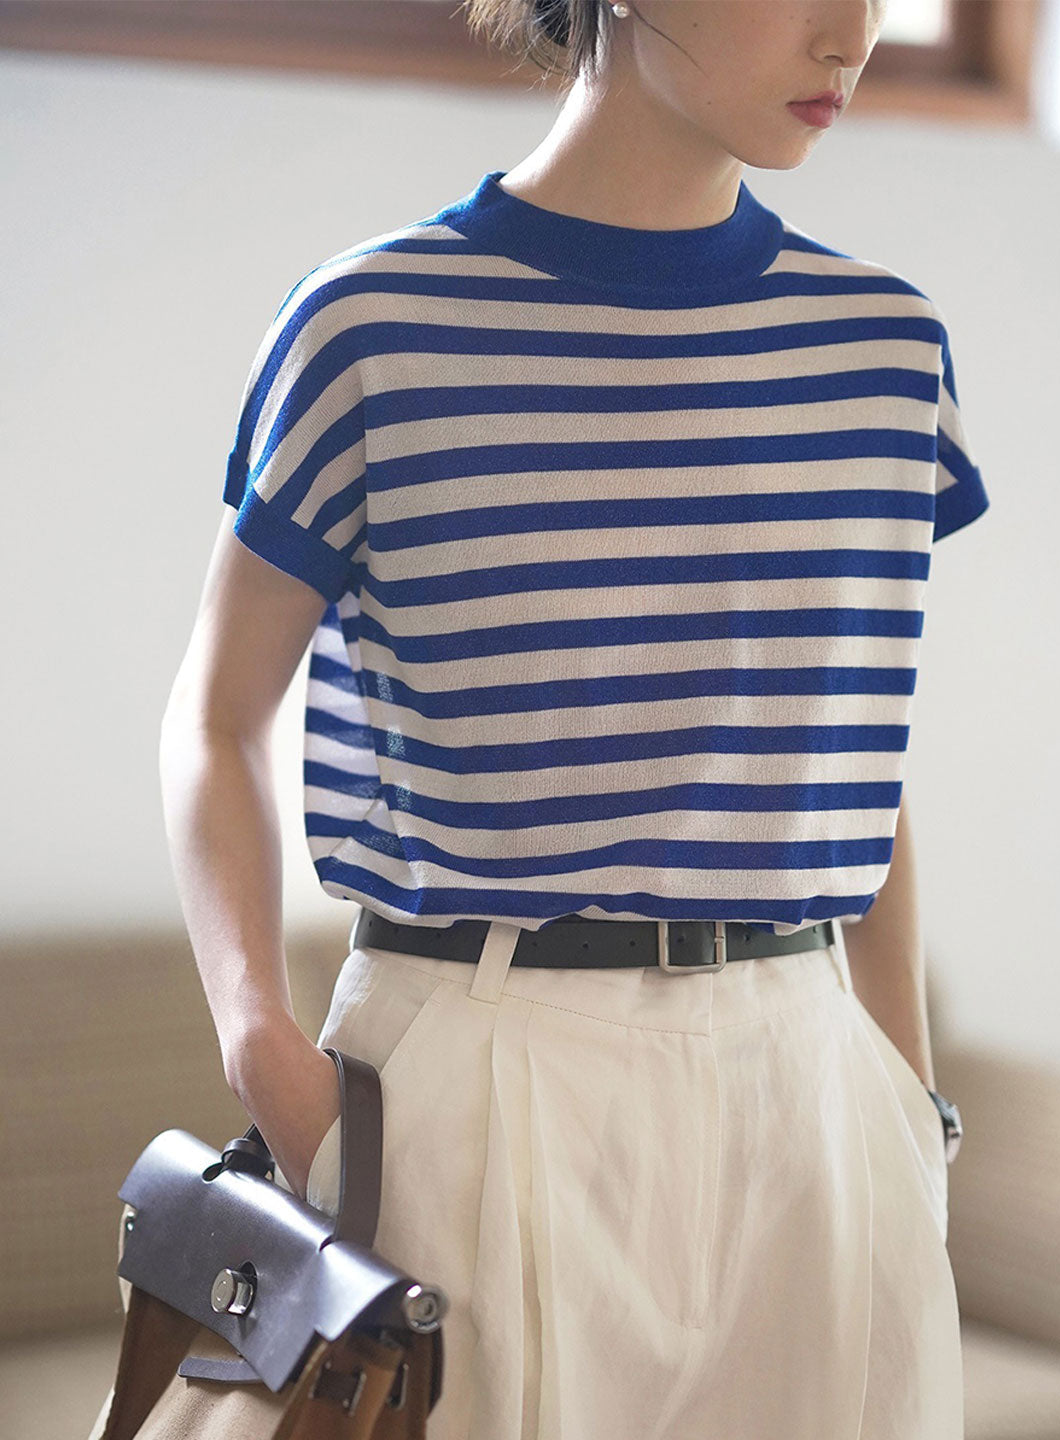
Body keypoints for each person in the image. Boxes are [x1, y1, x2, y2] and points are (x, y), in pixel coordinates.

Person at [159, 2, 988, 1435]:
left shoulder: (885, 349)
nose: (850, 31)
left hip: (807, 1092)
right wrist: (261, 1047)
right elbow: (216, 717)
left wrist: (908, 1094)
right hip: (472, 1072)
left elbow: (849, 749)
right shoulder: (373, 326)